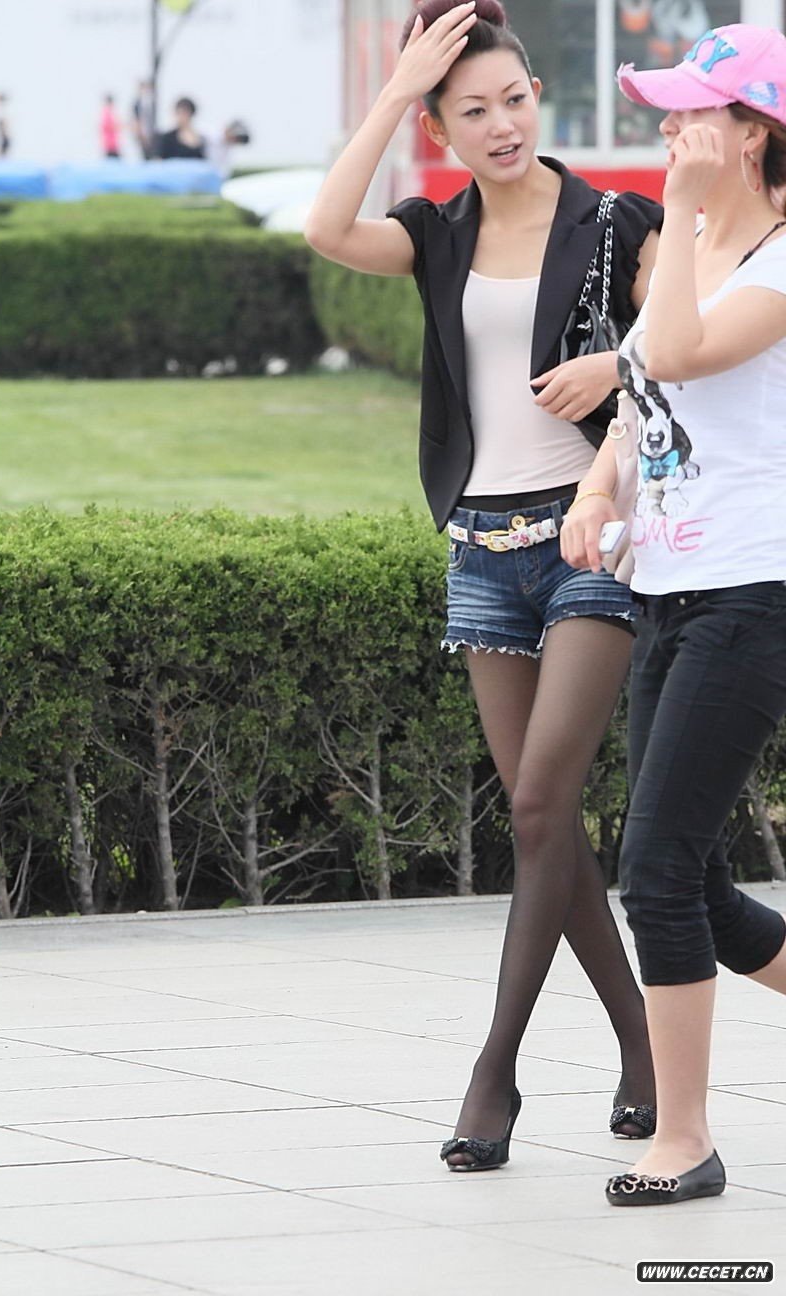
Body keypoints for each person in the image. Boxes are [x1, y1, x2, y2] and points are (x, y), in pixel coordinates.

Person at [306, 0, 663, 1171]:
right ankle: (643, 1050)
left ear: (534, 98)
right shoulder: (436, 234)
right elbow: (325, 226)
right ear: (440, 128)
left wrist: (616, 363)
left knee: (536, 807)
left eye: (513, 100)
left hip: (591, 541)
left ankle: (492, 1072)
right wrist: (388, 92)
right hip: (480, 552)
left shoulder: (615, 222)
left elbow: (705, 334)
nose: (502, 124)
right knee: (543, 822)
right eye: (471, 111)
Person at [561, 23, 786, 1207]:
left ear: (752, 133)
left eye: (691, 110)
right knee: (686, 879)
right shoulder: (694, 247)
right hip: (663, 591)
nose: (666, 127)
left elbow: (688, 352)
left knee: (651, 868)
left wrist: (684, 210)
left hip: (753, 593)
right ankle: (684, 1132)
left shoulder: (776, 260)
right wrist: (596, 492)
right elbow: (640, 395)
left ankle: (683, 1140)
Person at [131, 79, 156, 160]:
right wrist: (140, 133)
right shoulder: (137, 104)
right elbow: (136, 120)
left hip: (151, 133)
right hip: (141, 133)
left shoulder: (151, 103)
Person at [100, 95, 122, 160]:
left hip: (113, 143)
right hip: (110, 144)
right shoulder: (107, 113)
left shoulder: (110, 113)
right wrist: (120, 126)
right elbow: (109, 127)